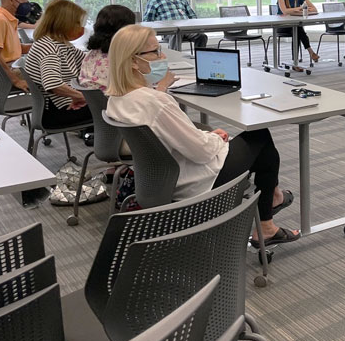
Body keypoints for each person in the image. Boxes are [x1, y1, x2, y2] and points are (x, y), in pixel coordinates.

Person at [105, 24, 299, 245]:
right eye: (155, 52)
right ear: (132, 61)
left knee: (256, 146)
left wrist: (204, 135)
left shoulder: (116, 100)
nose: (161, 57)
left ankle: (271, 208)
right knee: (259, 135)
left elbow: (169, 134)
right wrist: (216, 138)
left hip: (159, 181)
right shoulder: (155, 102)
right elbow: (201, 152)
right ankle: (268, 218)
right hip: (196, 181)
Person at [24, 0, 92, 128]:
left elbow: (86, 61)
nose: (81, 27)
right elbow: (53, 83)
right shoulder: (48, 48)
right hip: (57, 112)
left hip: (60, 107)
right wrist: (82, 97)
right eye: (77, 23)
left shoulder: (59, 43)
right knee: (115, 107)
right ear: (65, 23)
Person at [79, 5, 140, 92]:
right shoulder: (118, 57)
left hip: (99, 102)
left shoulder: (92, 54)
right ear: (124, 29)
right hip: (117, 101)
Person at [143, 0, 208, 50]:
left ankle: (199, 57)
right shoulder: (154, 1)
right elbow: (147, 21)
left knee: (202, 36)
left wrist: (193, 26)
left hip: (186, 29)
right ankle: (175, 59)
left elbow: (192, 16)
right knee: (176, 34)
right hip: (169, 31)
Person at [276, 0, 320, 70]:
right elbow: (284, 11)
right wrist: (300, 8)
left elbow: (314, 9)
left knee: (297, 29)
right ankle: (310, 52)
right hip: (281, 26)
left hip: (294, 26)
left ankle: (295, 62)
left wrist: (296, 11)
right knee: (298, 29)